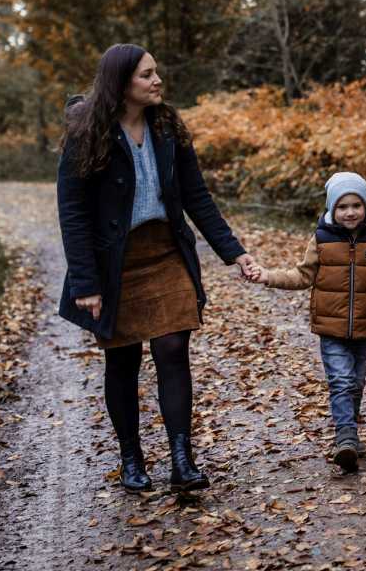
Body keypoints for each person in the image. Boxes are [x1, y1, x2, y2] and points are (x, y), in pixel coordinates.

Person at [56, 43, 260, 494]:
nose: (157, 81)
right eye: (147, 75)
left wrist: (234, 252)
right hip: (115, 263)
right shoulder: (86, 132)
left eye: (156, 73)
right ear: (121, 83)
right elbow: (72, 212)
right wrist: (86, 283)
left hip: (166, 252)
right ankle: (132, 459)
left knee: (172, 349)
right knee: (123, 360)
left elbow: (196, 197)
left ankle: (182, 460)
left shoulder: (168, 125)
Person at [246, 172, 366, 472]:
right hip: (331, 328)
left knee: (356, 384)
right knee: (341, 381)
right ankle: (345, 438)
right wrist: (268, 276)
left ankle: (350, 434)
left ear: (365, 206)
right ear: (331, 209)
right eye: (342, 207)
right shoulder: (322, 239)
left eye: (356, 205)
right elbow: (301, 275)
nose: (350, 212)